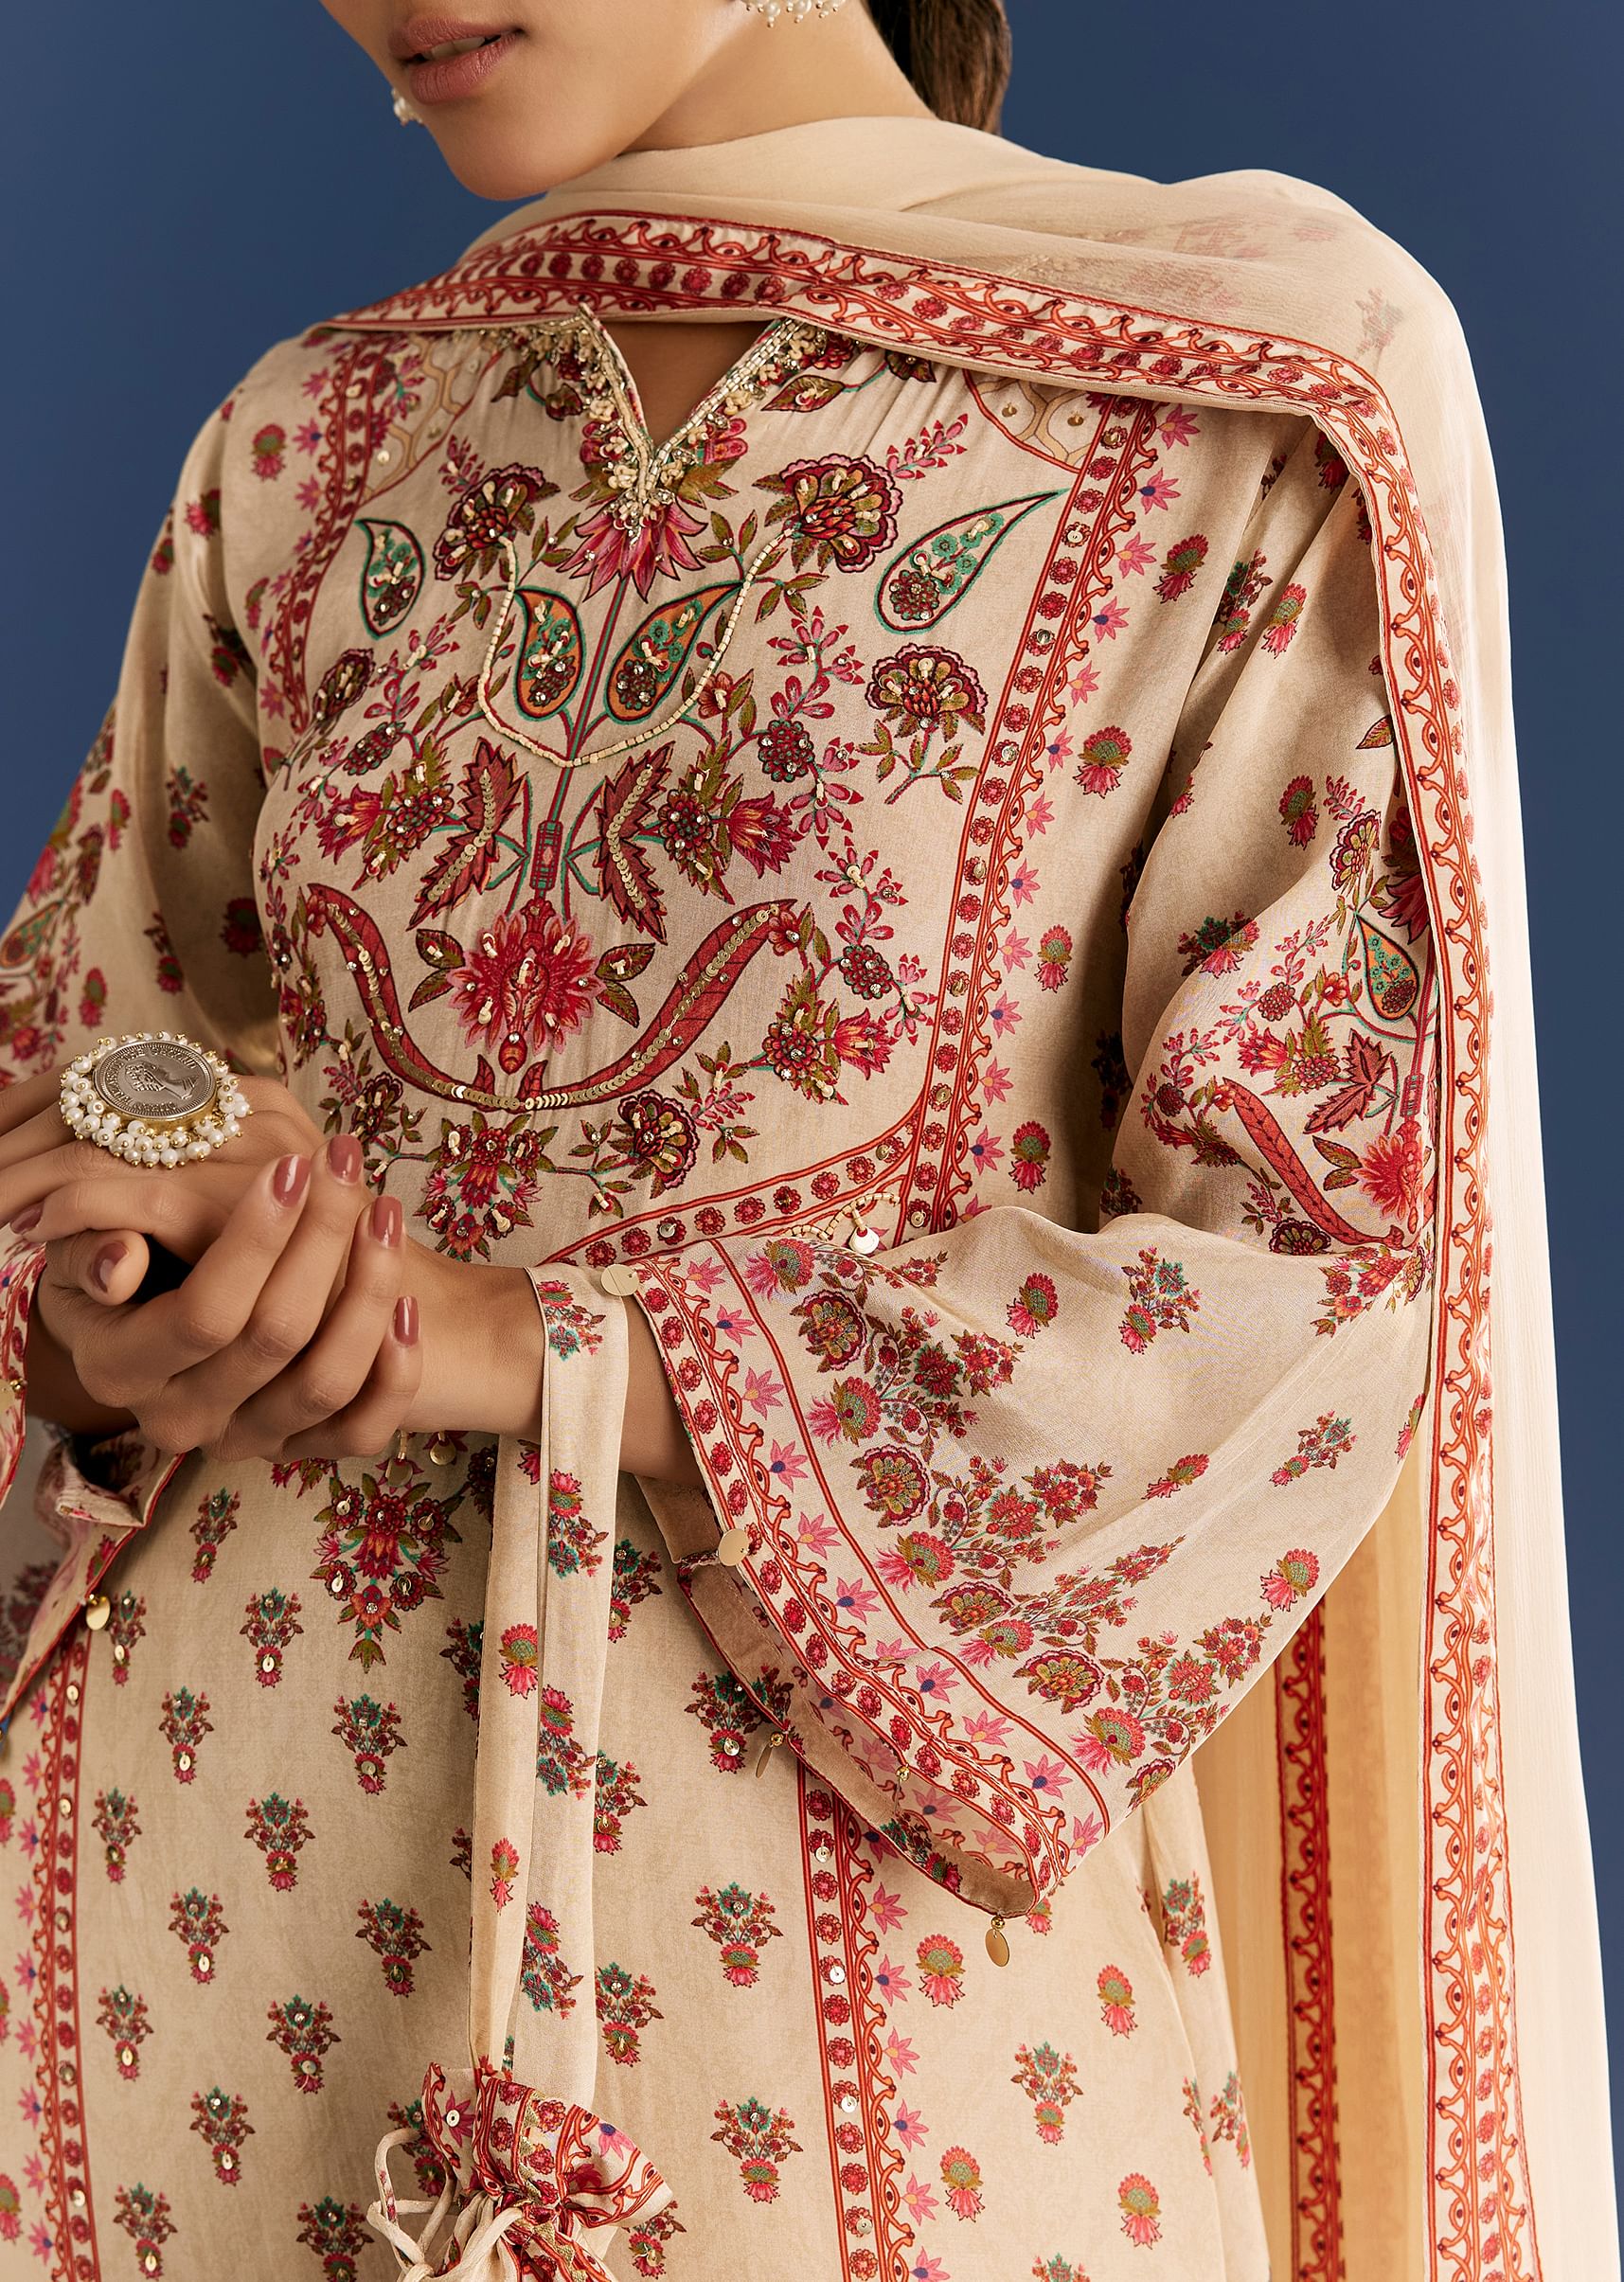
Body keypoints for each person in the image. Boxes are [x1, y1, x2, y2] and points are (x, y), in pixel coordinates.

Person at [0, 4, 1611, 2277]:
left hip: (823, 2001)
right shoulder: (306, 440)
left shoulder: (1233, 410)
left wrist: (524, 1340)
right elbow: (90, 1067)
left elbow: (1314, 1294)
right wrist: (107, 1312)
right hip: (179, 1957)